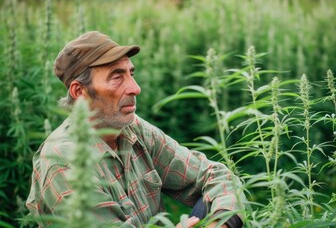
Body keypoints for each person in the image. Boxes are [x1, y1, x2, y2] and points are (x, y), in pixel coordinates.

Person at [26, 31, 245, 227]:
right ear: (79, 92)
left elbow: (215, 175)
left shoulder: (132, 129)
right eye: (116, 77)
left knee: (213, 206)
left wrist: (221, 223)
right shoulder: (64, 162)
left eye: (131, 74)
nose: (135, 88)